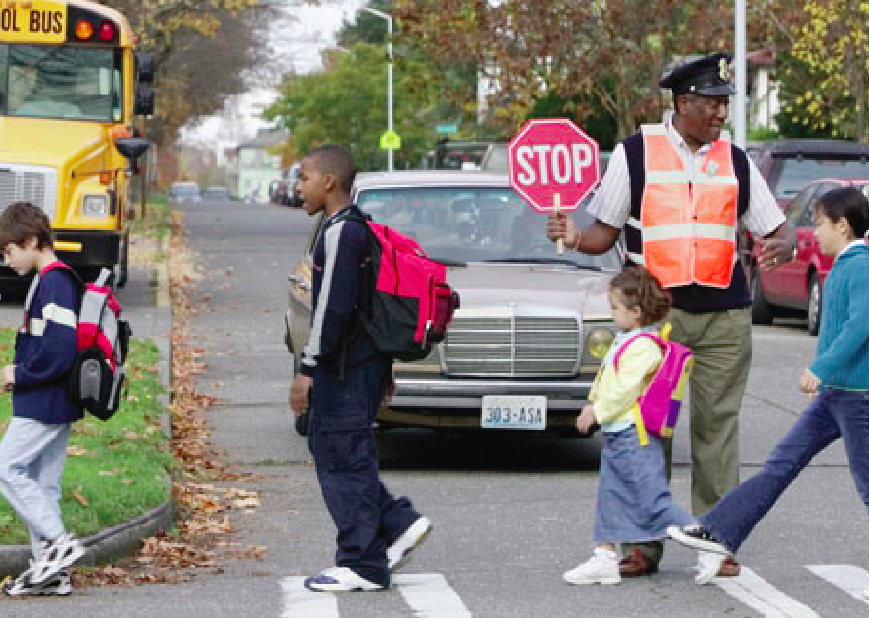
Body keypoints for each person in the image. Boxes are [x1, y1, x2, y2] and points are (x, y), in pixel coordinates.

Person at [547, 52, 796, 578]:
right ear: (683, 103)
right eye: (712, 103)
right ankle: (643, 544)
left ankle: (718, 538)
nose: (720, 114)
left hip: (724, 318)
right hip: (659, 325)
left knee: (717, 431)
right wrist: (573, 235)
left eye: (723, 104)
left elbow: (775, 230)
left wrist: (786, 246)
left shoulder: (737, 160)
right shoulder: (635, 154)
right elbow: (604, 232)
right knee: (648, 430)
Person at [668, 186, 869, 587]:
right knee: (780, 464)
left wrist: (822, 367)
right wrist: (821, 375)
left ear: (843, 226)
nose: (816, 231)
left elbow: (861, 325)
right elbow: (835, 328)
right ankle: (719, 530)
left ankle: (718, 529)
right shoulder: (846, 266)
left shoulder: (861, 268)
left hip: (857, 397)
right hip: (834, 394)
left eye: (821, 222)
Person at [289, 145, 431, 592]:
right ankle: (395, 523)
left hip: (343, 369)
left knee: (341, 458)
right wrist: (382, 370)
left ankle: (363, 562)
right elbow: (370, 309)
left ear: (329, 182)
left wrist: (307, 369)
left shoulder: (339, 232)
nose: (299, 187)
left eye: (305, 177)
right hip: (361, 365)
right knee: (344, 455)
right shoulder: (356, 229)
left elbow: (332, 306)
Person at [564, 266, 701, 586]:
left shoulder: (644, 346)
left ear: (636, 312)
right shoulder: (628, 339)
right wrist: (592, 400)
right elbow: (606, 378)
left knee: (653, 501)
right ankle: (604, 555)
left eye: (615, 307)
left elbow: (624, 389)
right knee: (610, 496)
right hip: (619, 437)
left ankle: (706, 539)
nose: (610, 313)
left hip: (633, 437)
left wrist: (596, 410)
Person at [0, 202, 86, 597]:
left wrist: (18, 373)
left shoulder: (54, 282)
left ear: (32, 240)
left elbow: (59, 350)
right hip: (50, 399)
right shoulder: (51, 279)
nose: (7, 259)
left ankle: (58, 542)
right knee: (42, 484)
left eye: (9, 250)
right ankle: (51, 570)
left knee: (6, 468)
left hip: (44, 401)